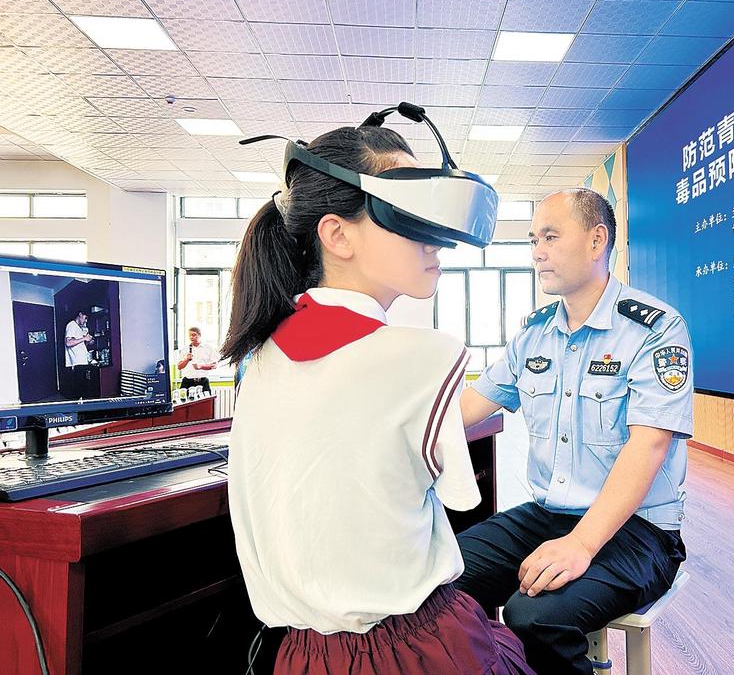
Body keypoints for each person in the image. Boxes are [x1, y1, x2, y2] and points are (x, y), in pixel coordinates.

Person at [221, 123, 534, 675]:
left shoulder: (257, 358)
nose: (435, 239)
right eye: (408, 211)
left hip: (300, 657)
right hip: (419, 649)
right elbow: (461, 499)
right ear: (337, 235)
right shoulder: (428, 357)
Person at [457, 189, 691, 675]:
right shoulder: (534, 333)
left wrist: (582, 544)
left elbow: (648, 446)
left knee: (534, 616)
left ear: (596, 240)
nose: (537, 252)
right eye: (532, 240)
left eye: (550, 237)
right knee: (444, 575)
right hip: (550, 514)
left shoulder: (655, 330)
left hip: (639, 530)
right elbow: (469, 407)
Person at [177, 326, 218, 393]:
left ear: (199, 335)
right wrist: (187, 360)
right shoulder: (185, 349)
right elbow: (179, 367)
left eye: (194, 335)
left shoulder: (208, 348)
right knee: (184, 399)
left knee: (206, 400)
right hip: (187, 382)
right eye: (190, 335)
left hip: (203, 382)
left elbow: (214, 366)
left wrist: (201, 366)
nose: (191, 337)